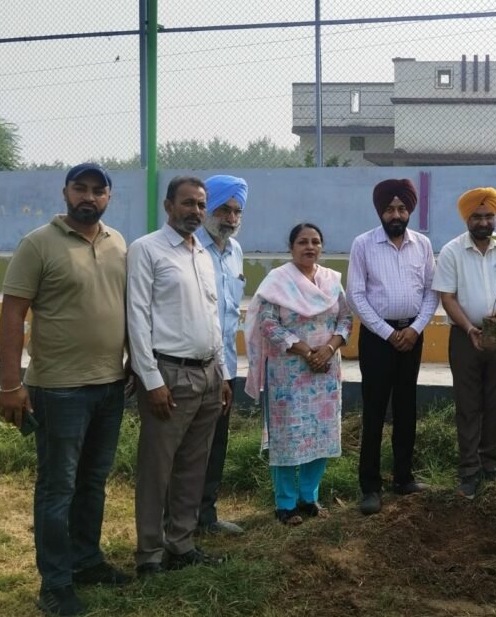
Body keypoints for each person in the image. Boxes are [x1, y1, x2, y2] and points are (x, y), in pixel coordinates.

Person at [0, 163, 130, 617]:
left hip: (110, 385)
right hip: (58, 390)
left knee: (93, 482)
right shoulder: (38, 243)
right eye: (80, 189)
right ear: (66, 193)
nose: (88, 196)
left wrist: (131, 362)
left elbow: (123, 308)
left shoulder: (118, 244)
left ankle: (86, 561)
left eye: (98, 190)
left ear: (109, 197)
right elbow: (12, 314)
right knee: (58, 488)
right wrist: (10, 384)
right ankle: (54, 584)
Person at [128, 176, 232, 576]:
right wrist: (150, 379)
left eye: (202, 204)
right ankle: (149, 554)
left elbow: (212, 317)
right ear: (169, 206)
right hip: (168, 376)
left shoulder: (203, 254)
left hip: (207, 374)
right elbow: (136, 317)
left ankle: (181, 543)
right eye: (188, 203)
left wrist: (221, 373)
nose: (196, 211)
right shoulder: (147, 250)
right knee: (158, 468)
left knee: (193, 465)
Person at [244, 223, 353, 526]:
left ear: (322, 247)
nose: (310, 247)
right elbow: (268, 325)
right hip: (288, 373)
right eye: (303, 242)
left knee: (320, 434)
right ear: (291, 247)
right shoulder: (277, 282)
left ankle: (309, 497)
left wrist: (328, 350)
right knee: (288, 436)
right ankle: (286, 504)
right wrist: (306, 351)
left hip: (325, 372)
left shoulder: (331, 281)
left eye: (316, 242)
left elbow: (345, 318)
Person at [432, 187, 496, 500]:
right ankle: (468, 470)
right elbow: (446, 297)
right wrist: (467, 327)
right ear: (467, 218)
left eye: (488, 215)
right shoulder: (451, 251)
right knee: (467, 404)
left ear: (495, 217)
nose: (483, 221)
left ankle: (489, 464)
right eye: (476, 216)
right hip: (465, 338)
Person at [348, 179, 438, 515]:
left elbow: (432, 291)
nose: (396, 214)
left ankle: (404, 478)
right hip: (377, 339)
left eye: (401, 208)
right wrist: (388, 333)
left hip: (412, 337)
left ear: (410, 210)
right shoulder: (363, 245)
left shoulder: (423, 245)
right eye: (389, 209)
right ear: (380, 212)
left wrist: (414, 330)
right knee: (374, 411)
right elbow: (356, 295)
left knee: (406, 408)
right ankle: (370, 487)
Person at [192, 174, 249, 535]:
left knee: (216, 443)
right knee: (186, 446)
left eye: (237, 211)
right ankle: (175, 521)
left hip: (225, 364)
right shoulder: (189, 248)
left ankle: (205, 516)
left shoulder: (235, 251)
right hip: (191, 362)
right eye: (223, 209)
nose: (230, 218)